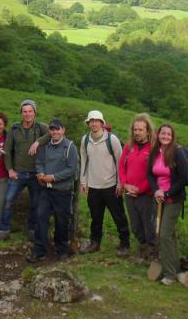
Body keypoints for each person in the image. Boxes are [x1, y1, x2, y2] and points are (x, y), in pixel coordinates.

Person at [26, 118, 78, 262]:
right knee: (40, 217)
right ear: (49, 131)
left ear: (63, 130)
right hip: (46, 190)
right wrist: (41, 173)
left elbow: (72, 169)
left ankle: (62, 250)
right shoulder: (45, 146)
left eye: (57, 129)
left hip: (63, 191)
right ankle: (39, 250)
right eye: (52, 129)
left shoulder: (70, 147)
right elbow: (40, 162)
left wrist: (54, 177)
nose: (55, 132)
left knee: (62, 221)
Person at [79, 110, 130, 256]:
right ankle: (95, 243)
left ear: (102, 123)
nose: (94, 123)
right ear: (88, 123)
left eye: (97, 121)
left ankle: (125, 244)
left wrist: (121, 183)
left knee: (118, 216)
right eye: (91, 121)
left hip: (111, 186)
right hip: (93, 186)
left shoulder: (111, 139)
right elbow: (83, 160)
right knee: (96, 217)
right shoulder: (85, 140)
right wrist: (84, 181)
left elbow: (121, 162)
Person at [0, 99, 50, 241]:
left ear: (34, 112)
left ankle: (32, 229)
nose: (27, 114)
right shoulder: (14, 129)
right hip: (18, 173)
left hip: (36, 173)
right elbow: (7, 150)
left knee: (35, 203)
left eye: (30, 111)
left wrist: (38, 141)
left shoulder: (41, 127)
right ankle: (4, 230)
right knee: (8, 200)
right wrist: (10, 170)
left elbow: (52, 133)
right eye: (24, 111)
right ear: (21, 113)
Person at [146, 124, 188, 285]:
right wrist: (157, 190)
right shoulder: (154, 152)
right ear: (158, 135)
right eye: (162, 133)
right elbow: (150, 174)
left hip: (173, 199)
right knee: (169, 235)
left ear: (172, 137)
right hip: (158, 198)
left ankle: (169, 275)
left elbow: (184, 178)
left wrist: (167, 193)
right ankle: (175, 268)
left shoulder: (177, 152)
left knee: (164, 234)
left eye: (168, 134)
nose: (165, 136)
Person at [119, 113, 156, 259]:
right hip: (129, 193)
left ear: (147, 131)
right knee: (135, 225)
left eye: (141, 129)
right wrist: (125, 185)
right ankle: (143, 249)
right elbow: (121, 166)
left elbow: (153, 173)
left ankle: (153, 253)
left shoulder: (153, 148)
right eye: (135, 129)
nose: (137, 132)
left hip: (145, 195)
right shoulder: (129, 146)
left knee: (149, 225)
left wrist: (141, 189)